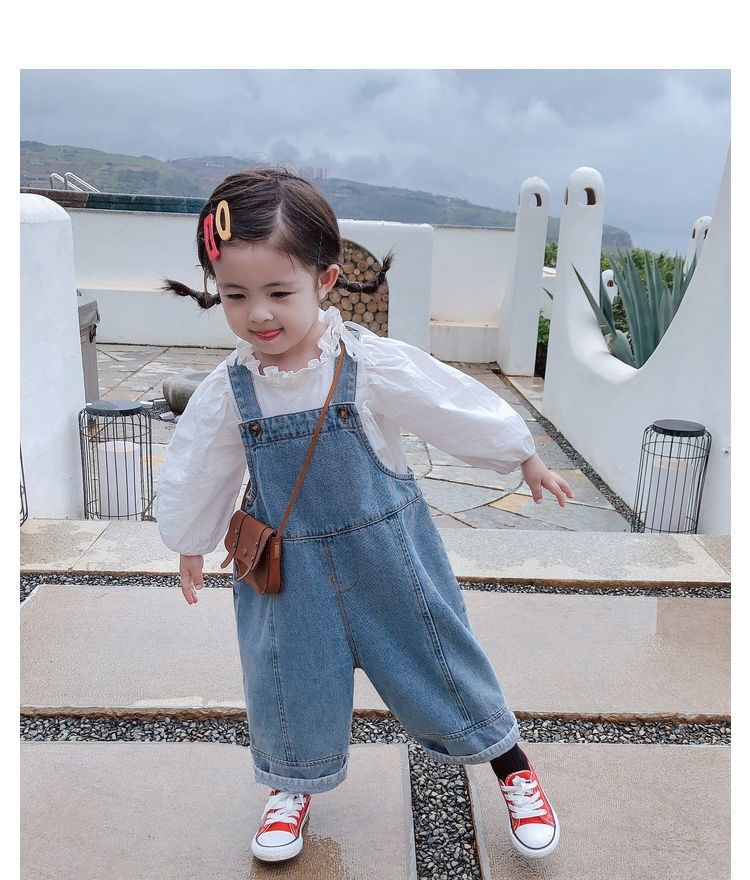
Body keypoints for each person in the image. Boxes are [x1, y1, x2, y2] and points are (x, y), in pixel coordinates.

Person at [157, 167, 573, 864]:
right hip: (289, 573)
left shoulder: (366, 363)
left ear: (324, 281)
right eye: (235, 295)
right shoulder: (231, 389)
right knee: (289, 679)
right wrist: (191, 539)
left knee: (440, 660)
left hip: (388, 559)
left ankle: (513, 768)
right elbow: (202, 463)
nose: (258, 314)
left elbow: (445, 403)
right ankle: (290, 786)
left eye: (278, 293)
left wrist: (518, 453)